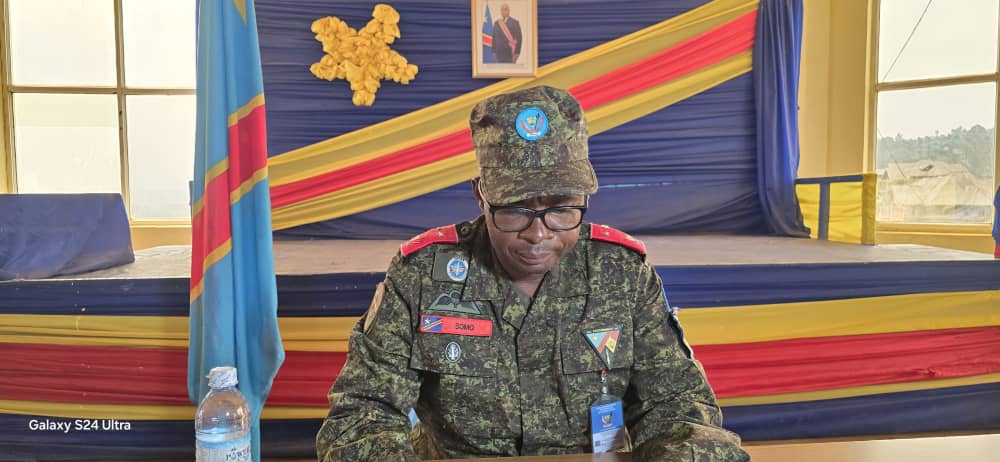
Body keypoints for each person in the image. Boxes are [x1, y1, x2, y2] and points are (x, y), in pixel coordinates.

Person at [316, 85, 749, 461]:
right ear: (481, 195)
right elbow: (361, 416)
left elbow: (678, 408)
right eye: (515, 209)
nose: (538, 233)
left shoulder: (622, 273)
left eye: (561, 208)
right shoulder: (422, 276)